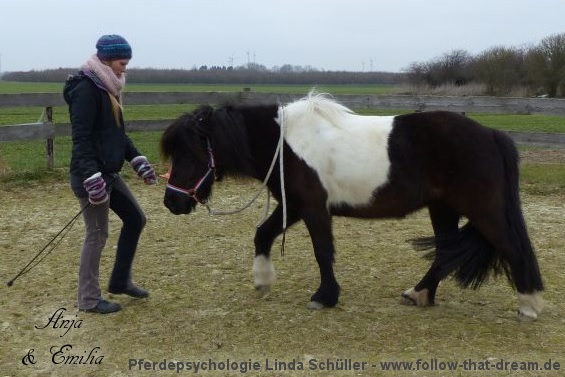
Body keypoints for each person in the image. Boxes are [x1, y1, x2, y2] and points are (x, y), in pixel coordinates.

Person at [63, 34, 157, 314]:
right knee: (97, 234)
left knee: (135, 218)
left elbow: (116, 135)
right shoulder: (85, 90)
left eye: (127, 61)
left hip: (109, 174)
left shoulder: (109, 87)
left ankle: (120, 280)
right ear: (106, 59)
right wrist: (92, 178)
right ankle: (88, 300)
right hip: (90, 177)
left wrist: (137, 160)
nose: (125, 67)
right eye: (121, 61)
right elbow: (81, 139)